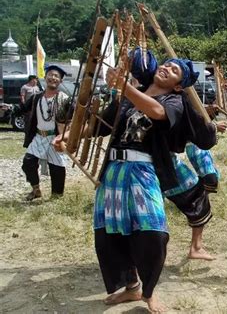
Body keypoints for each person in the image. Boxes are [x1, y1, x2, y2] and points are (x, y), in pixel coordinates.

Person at [56, 57, 200, 313]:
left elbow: (156, 113)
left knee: (153, 233)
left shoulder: (174, 101)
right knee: (111, 234)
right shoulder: (127, 97)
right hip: (113, 173)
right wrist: (67, 136)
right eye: (165, 64)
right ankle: (131, 287)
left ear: (179, 85)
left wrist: (125, 86)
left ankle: (149, 292)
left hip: (142, 171)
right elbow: (98, 126)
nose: (166, 68)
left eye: (174, 70)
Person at [20, 65, 71, 201]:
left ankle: (57, 196)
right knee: (28, 162)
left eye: (56, 76)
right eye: (51, 75)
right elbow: (23, 108)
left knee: (57, 168)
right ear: (45, 77)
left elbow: (74, 114)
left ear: (60, 81)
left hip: (55, 137)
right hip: (38, 136)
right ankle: (36, 190)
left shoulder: (65, 99)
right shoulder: (36, 97)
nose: (53, 78)